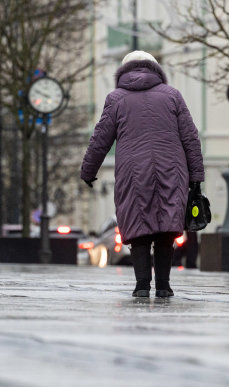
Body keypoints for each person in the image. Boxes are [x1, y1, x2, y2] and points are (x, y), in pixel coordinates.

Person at [80, 51, 205, 298]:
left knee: (138, 226)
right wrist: (196, 176)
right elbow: (190, 137)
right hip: (172, 170)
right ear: (156, 70)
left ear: (124, 72)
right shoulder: (172, 96)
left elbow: (100, 140)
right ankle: (164, 285)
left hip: (132, 172)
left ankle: (141, 285)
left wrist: (88, 171)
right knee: (166, 230)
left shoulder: (116, 99)